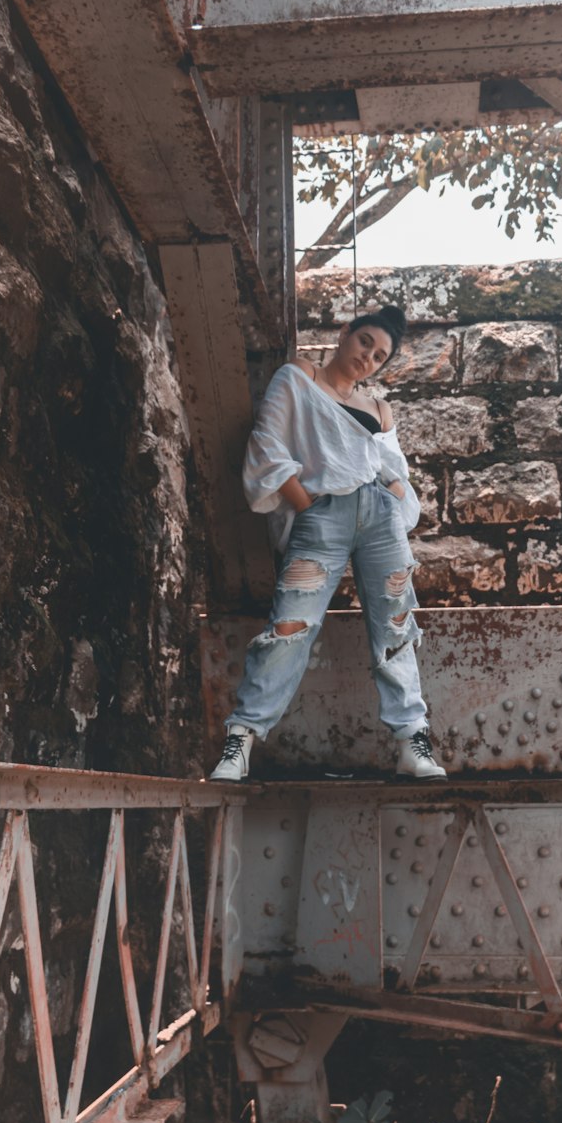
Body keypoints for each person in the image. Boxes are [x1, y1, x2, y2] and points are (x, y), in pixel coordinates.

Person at [209, 306, 446, 781]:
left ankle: (412, 742)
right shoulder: (299, 376)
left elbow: (394, 472)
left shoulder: (379, 409)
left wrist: (390, 493)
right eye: (364, 343)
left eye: (379, 356)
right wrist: (305, 504)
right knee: (290, 625)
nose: (368, 358)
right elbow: (267, 444)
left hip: (379, 519)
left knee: (396, 625)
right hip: (323, 516)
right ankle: (240, 742)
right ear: (344, 333)